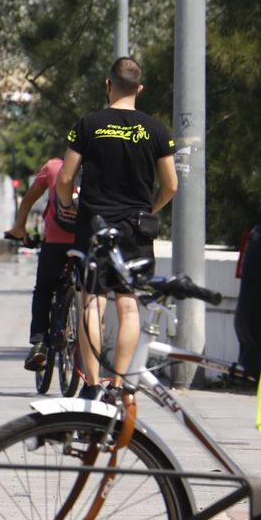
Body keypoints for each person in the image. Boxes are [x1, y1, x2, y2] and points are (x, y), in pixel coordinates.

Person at [55, 57, 178, 390]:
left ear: (108, 85)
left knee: (92, 301)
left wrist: (67, 206)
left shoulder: (88, 124)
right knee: (127, 304)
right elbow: (171, 186)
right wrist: (146, 208)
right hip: (135, 228)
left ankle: (92, 385)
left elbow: (65, 178)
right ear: (140, 89)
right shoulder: (156, 130)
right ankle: (120, 385)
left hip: (94, 227)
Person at [5, 156, 75, 369]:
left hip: (55, 241)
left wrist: (19, 227)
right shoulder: (95, 166)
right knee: (91, 294)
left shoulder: (53, 167)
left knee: (44, 290)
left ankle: (39, 343)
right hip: (86, 241)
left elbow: (28, 200)